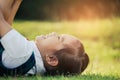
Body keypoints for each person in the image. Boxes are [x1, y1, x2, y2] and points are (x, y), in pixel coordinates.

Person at [0, 0, 89, 76]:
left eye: (59, 38)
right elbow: (6, 24)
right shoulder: (32, 61)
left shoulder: (24, 53)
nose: (54, 33)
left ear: (51, 59)